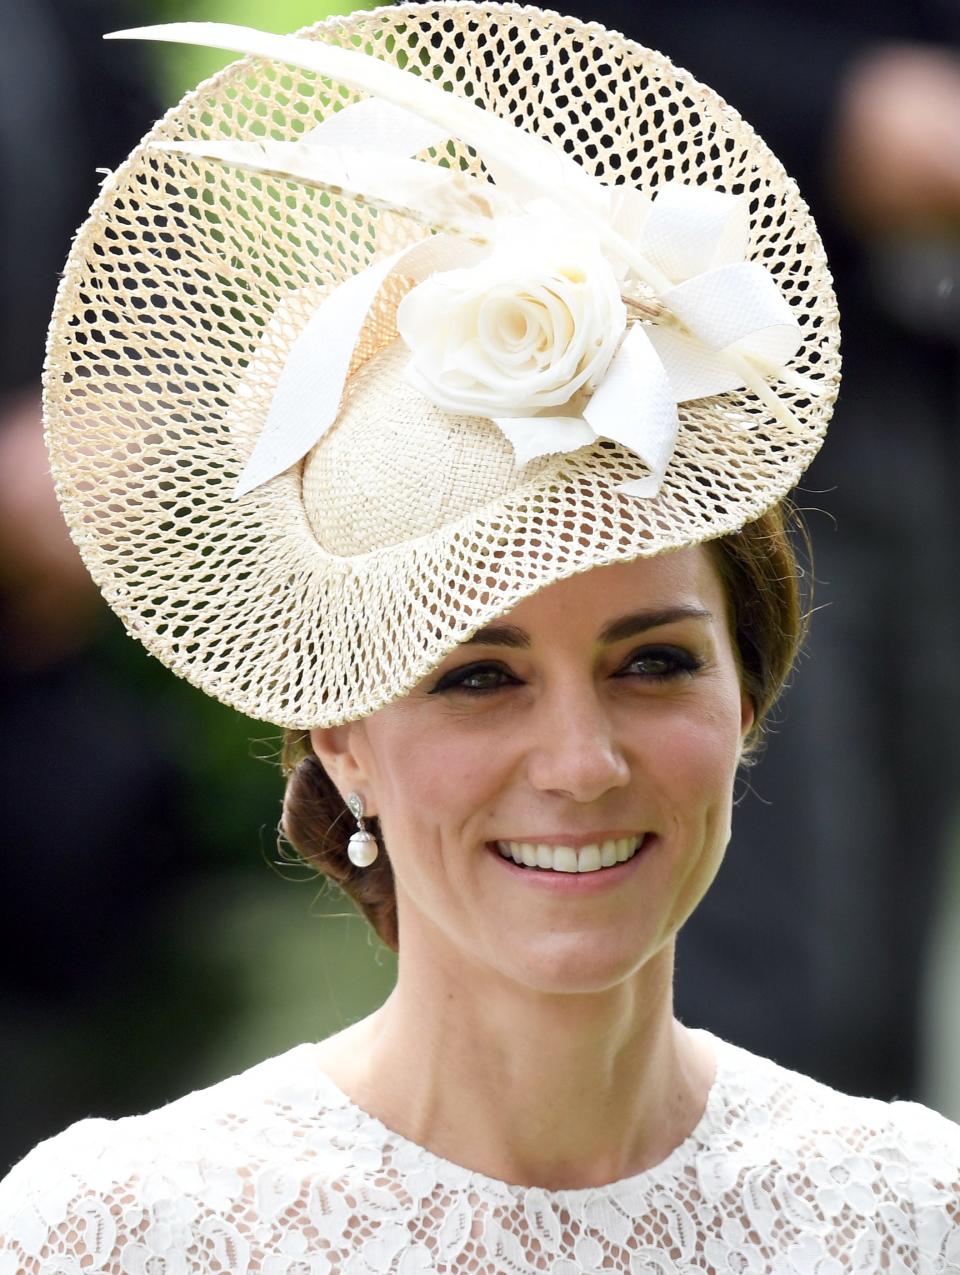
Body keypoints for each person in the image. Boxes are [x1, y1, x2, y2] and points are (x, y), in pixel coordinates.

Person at [1, 4, 958, 1270]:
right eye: (479, 677)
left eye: (654, 661)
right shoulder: (119, 1233)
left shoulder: (910, 1214)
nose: (581, 761)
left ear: (751, 691)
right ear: (339, 729)